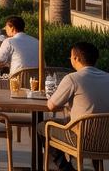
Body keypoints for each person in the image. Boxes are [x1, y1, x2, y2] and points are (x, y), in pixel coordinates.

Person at [44, 41, 109, 171]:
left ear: (76, 58)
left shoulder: (73, 78)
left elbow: (51, 105)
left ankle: (65, 168)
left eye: (70, 57)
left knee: (44, 127)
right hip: (106, 138)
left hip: (81, 137)